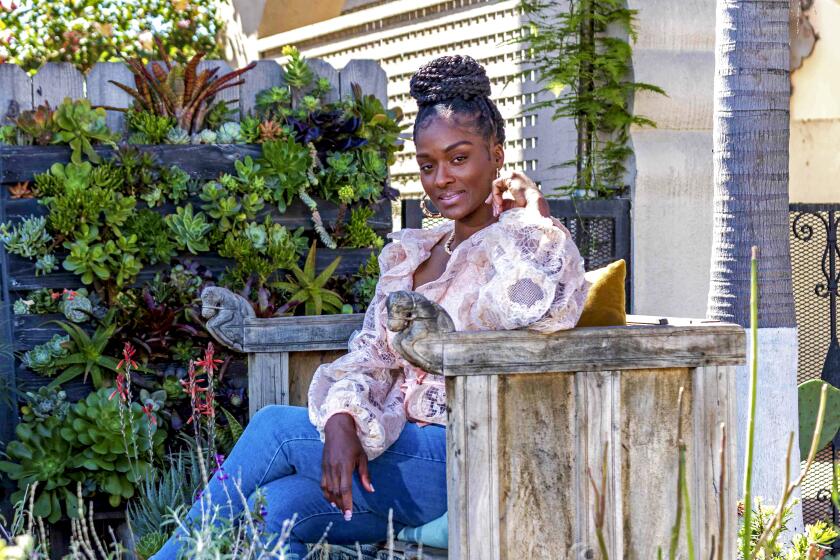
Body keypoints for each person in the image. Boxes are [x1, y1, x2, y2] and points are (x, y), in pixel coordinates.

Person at [151, 54, 589, 559]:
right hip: (395, 454)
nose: (441, 178)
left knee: (274, 426)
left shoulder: (521, 248)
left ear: (496, 154)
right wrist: (341, 416)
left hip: (465, 456)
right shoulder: (412, 255)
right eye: (428, 165)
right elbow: (370, 356)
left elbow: (540, 310)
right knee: (271, 509)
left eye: (459, 158)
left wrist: (530, 216)